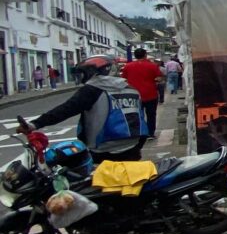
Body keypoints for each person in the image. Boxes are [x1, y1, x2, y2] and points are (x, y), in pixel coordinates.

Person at [19, 55, 147, 162]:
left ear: (94, 73)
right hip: (132, 147)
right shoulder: (131, 89)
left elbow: (66, 110)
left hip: (102, 150)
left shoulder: (92, 90)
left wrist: (35, 124)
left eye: (85, 73)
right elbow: (140, 118)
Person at [121, 48, 164, 138]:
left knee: (136, 115)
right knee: (151, 114)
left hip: (134, 95)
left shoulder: (128, 66)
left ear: (135, 56)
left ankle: (139, 132)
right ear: (145, 55)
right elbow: (159, 78)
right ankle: (150, 133)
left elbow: (124, 79)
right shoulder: (152, 66)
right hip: (150, 93)